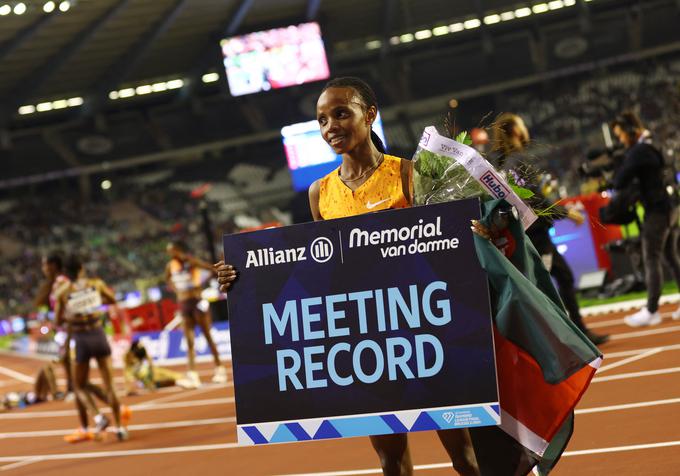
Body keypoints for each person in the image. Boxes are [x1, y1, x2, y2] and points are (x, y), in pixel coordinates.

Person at [216, 77, 478, 476]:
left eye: (341, 113)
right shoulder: (319, 193)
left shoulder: (408, 174)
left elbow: (447, 248)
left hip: (425, 333)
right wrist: (243, 277)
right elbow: (315, 268)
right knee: (391, 461)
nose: (331, 127)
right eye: (322, 120)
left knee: (465, 458)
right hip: (368, 344)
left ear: (370, 115)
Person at [490, 113, 610, 346]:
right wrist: (565, 212)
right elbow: (534, 200)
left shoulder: (504, 163)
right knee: (543, 284)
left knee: (556, 279)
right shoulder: (516, 162)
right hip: (536, 234)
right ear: (515, 131)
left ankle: (571, 332)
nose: (526, 129)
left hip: (530, 232)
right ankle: (556, 337)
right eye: (522, 125)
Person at [611, 111, 680, 326]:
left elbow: (620, 180)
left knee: (650, 257)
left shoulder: (640, 150)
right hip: (670, 207)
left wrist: (620, 163)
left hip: (658, 210)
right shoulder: (653, 143)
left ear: (631, 131)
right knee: (670, 256)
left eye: (620, 134)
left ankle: (651, 310)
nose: (620, 140)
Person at [54, 254, 130, 442]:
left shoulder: (62, 292)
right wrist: (95, 304)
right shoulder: (96, 284)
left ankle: (98, 416)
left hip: (81, 339)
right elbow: (112, 299)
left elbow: (57, 321)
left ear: (66, 273)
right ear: (81, 269)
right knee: (110, 384)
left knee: (79, 385)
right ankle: (120, 428)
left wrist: (73, 315)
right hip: (98, 334)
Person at [165, 240, 227, 388]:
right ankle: (192, 375)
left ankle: (220, 368)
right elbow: (167, 279)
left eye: (172, 250)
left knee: (207, 336)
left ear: (179, 250)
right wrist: (176, 290)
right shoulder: (170, 266)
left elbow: (211, 269)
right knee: (189, 341)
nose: (170, 253)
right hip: (184, 304)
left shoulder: (191, 261)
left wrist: (201, 284)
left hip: (197, 302)